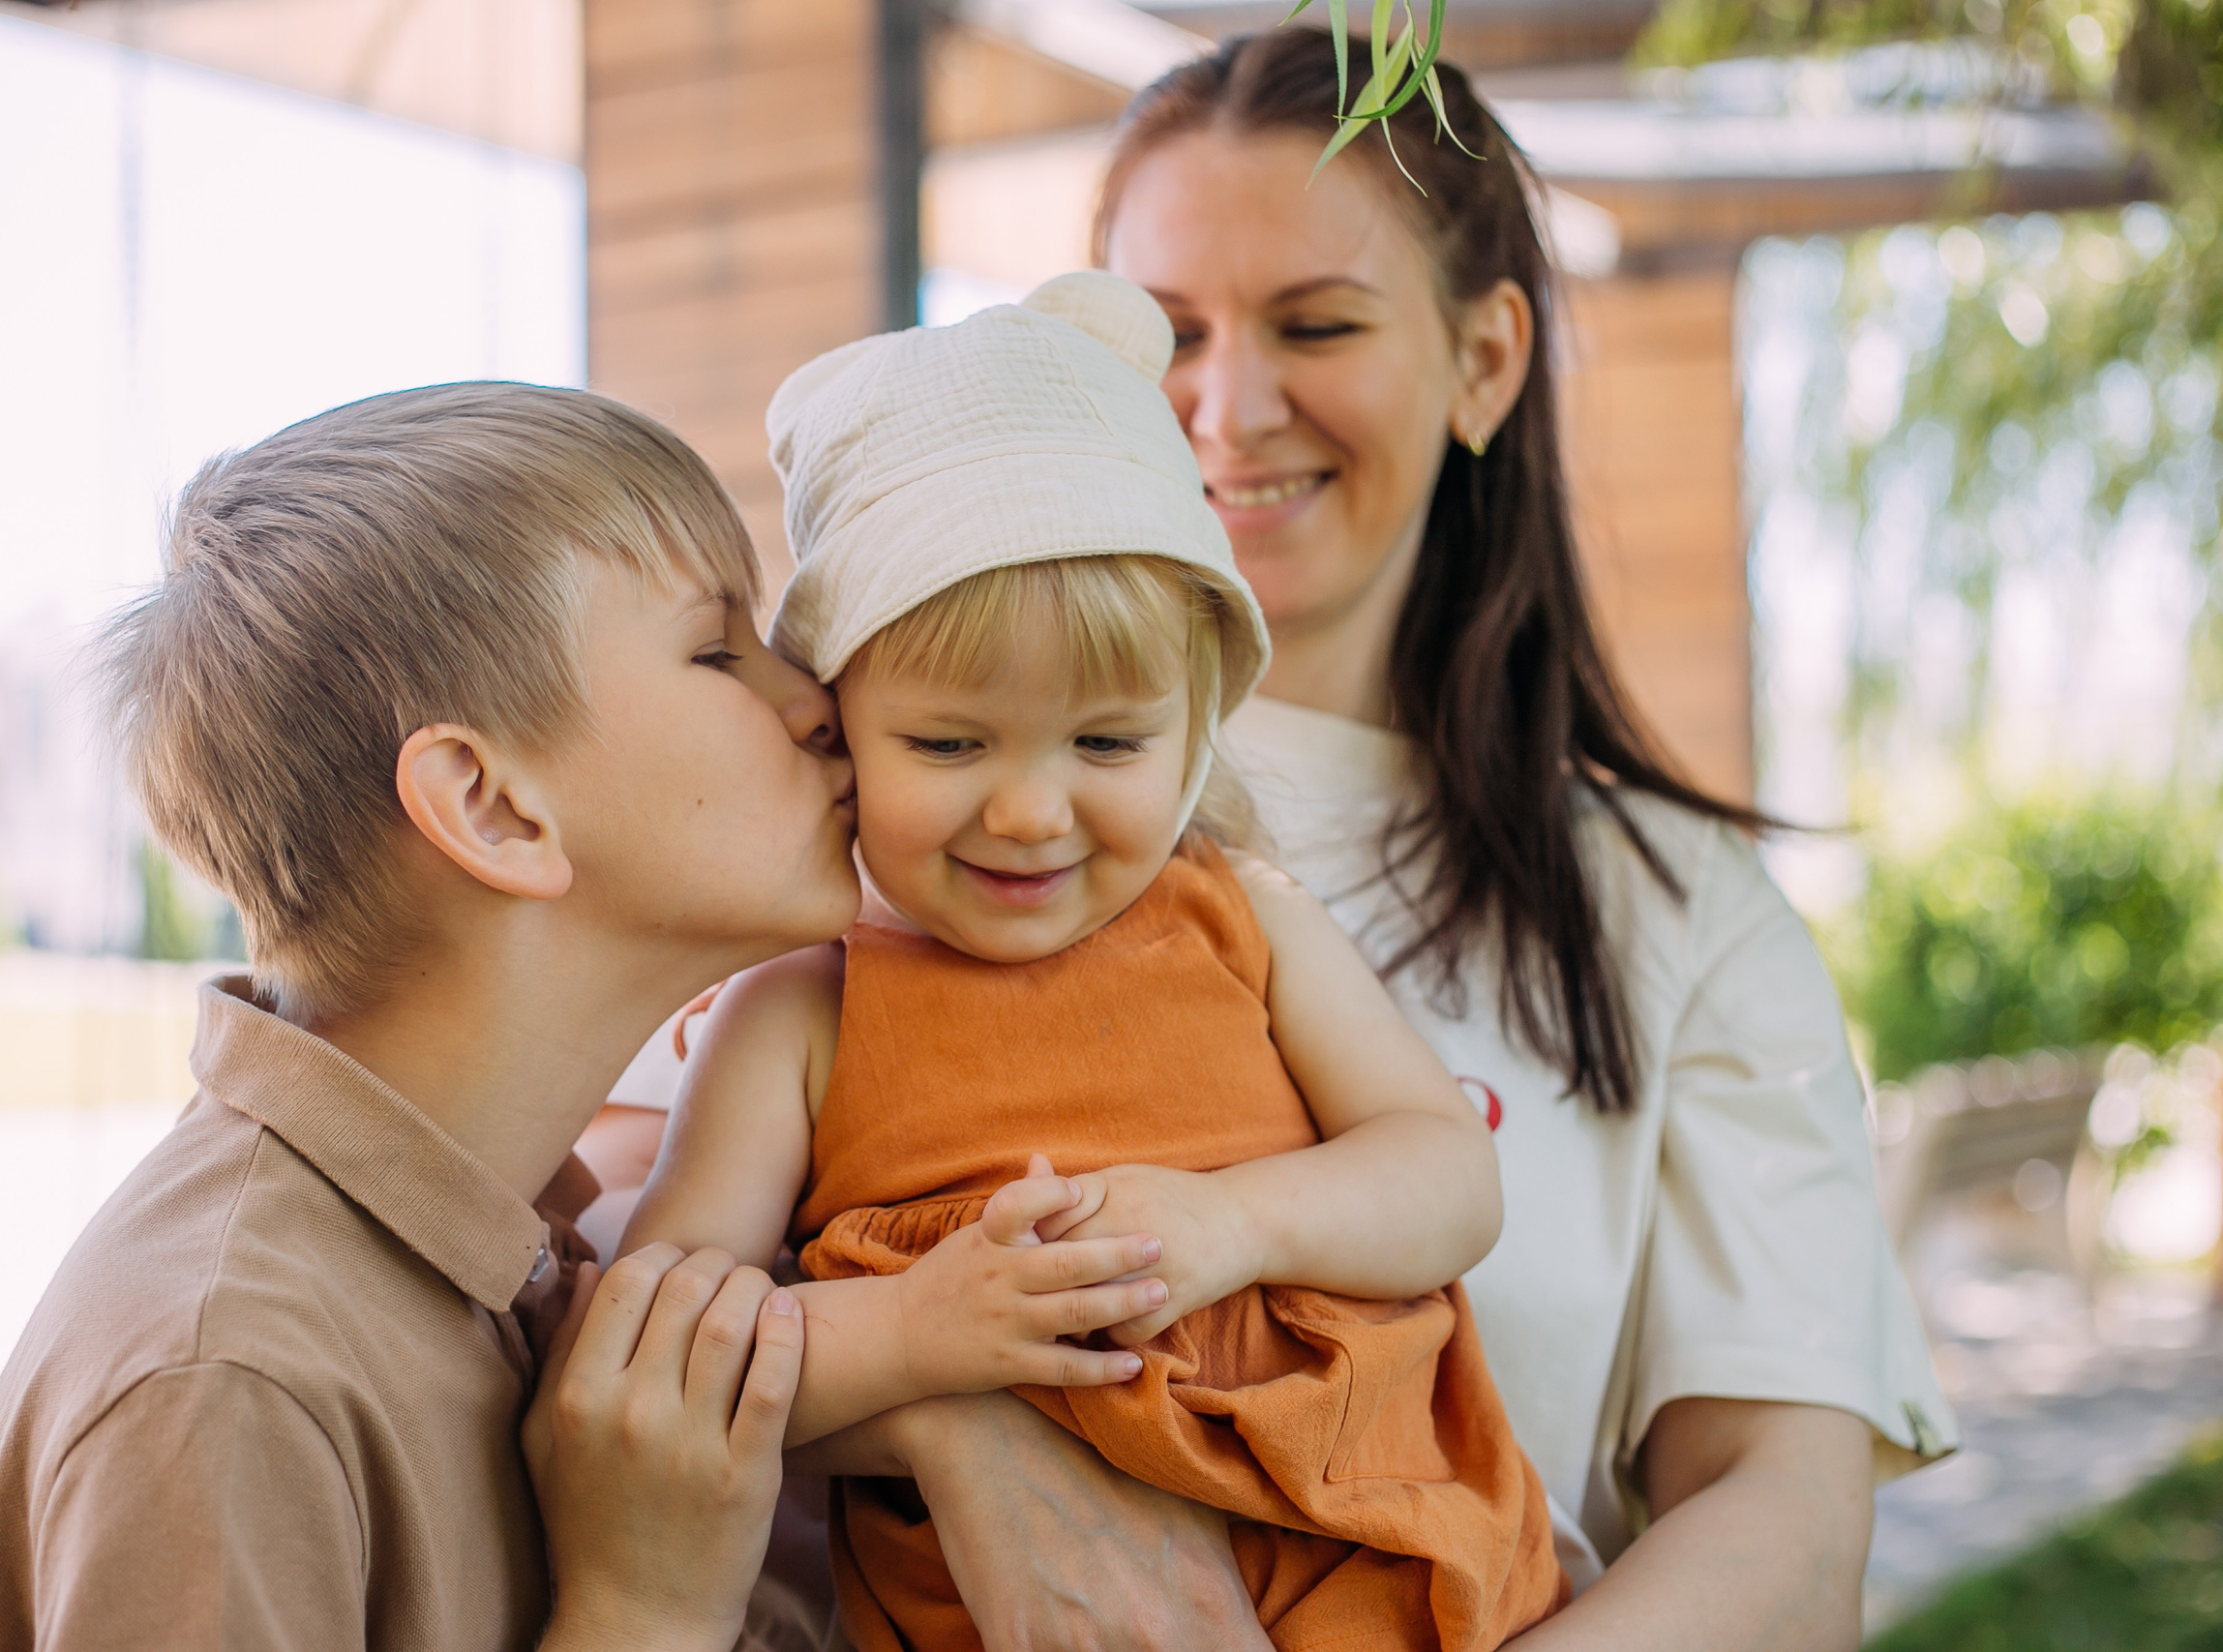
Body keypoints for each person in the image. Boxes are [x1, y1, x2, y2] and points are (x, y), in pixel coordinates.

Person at [775, 33, 1957, 1652]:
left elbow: (1787, 1526)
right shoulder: (870, 841)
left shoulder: (1672, 913)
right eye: (1165, 334)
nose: (1225, 403)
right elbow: (625, 1328)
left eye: (1316, 326)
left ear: (1485, 360)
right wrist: (953, 1412)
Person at [0, 383, 1161, 1652]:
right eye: (720, 649)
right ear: (494, 809)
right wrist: (642, 1615)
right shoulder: (225, 1387)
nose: (822, 701)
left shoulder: (538, 1260)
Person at [623, 273, 1562, 1651]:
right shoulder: (802, 1012)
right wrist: (919, 1332)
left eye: (1108, 745)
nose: (1029, 812)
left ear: (1196, 727)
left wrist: (1243, 1225)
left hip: (1376, 1541)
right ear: (838, 720)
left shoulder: (1242, 919)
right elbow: (662, 1349)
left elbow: (1447, 1172)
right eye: (949, 745)